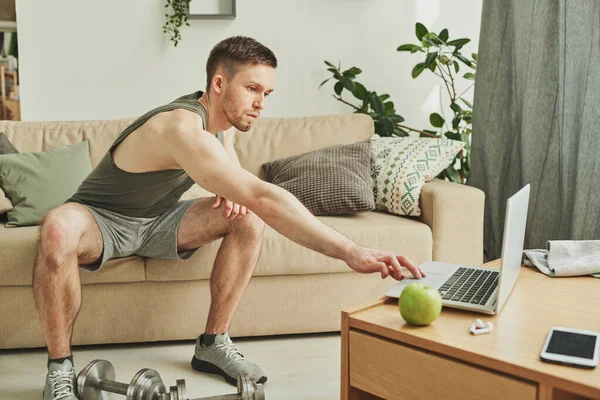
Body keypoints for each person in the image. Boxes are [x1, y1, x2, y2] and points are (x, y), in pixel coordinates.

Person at [34, 36, 425, 400]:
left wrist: (227, 183)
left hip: (157, 221)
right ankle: (60, 369)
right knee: (58, 227)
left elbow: (233, 170)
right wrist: (350, 251)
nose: (261, 103)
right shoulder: (180, 126)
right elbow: (262, 193)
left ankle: (213, 344)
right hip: (102, 220)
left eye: (267, 93)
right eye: (252, 89)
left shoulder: (220, 123)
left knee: (247, 218)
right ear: (219, 84)